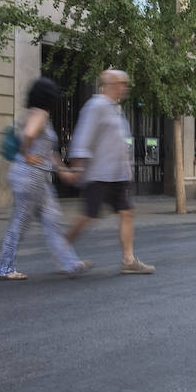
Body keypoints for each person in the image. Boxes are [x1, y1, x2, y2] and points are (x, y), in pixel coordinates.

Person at [0, 77, 88, 281]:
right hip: (30, 175)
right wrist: (27, 153)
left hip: (35, 176)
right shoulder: (40, 114)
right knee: (22, 222)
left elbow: (48, 151)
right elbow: (28, 135)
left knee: (52, 220)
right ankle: (5, 268)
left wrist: (62, 170)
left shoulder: (32, 113)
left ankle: (69, 263)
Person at [65, 69, 154, 274]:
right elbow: (83, 137)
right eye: (122, 83)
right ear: (111, 84)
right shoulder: (96, 106)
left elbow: (119, 142)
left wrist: (126, 166)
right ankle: (62, 249)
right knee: (88, 216)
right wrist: (78, 166)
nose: (125, 87)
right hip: (99, 174)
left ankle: (129, 260)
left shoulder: (116, 109)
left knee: (127, 212)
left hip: (116, 175)